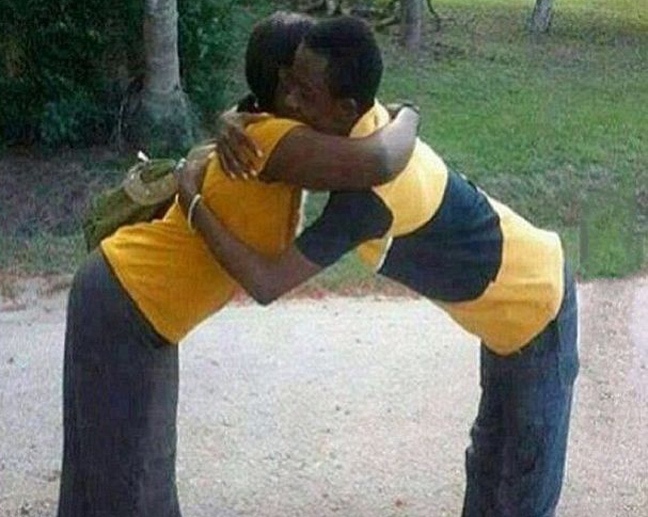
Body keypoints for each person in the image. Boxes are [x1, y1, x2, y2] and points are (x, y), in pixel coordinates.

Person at [177, 15, 579, 517]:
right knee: (488, 464)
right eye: (288, 83)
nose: (290, 102)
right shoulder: (363, 129)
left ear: (346, 108)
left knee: (521, 488)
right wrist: (232, 117)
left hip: (539, 308)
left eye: (305, 93)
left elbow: (265, 282)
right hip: (508, 317)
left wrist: (192, 201)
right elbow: (280, 112)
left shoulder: (367, 200)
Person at [56, 11, 419, 517]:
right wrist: (411, 112)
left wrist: (226, 120)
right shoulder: (275, 141)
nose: (301, 94)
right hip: (125, 302)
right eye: (296, 81)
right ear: (281, 83)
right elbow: (381, 159)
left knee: (114, 475)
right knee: (129, 484)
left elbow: (344, 117)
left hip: (130, 303)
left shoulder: (257, 127)